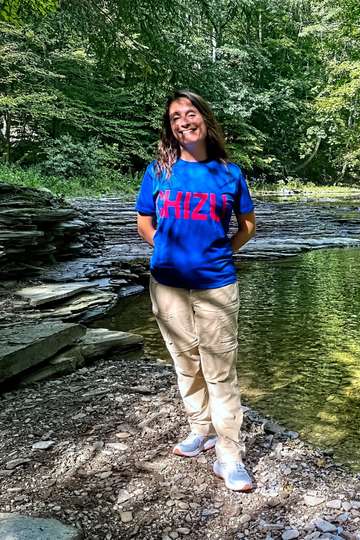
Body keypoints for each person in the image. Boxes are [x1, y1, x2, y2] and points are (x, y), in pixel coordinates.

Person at [135, 90, 256, 492]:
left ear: (205, 119)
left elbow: (247, 227)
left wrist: (218, 253)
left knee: (220, 372)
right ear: (169, 128)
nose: (183, 121)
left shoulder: (229, 173)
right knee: (186, 363)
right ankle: (199, 429)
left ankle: (229, 454)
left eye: (190, 114)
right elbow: (144, 224)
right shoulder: (159, 171)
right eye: (174, 117)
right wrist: (168, 253)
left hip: (216, 285)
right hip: (167, 285)